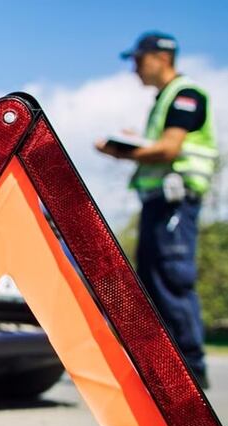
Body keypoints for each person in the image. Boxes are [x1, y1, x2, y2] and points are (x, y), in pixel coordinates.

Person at [97, 32, 218, 389]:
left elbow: (169, 149)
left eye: (137, 60)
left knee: (172, 278)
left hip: (175, 202)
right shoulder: (164, 100)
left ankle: (191, 371)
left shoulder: (185, 95)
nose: (134, 68)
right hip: (159, 203)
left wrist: (123, 151)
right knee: (152, 281)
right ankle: (165, 369)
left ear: (160, 58)